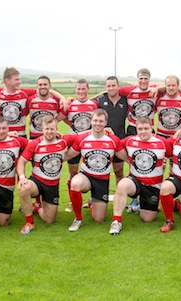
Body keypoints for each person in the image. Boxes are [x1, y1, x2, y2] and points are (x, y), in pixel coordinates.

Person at [64, 109, 127, 231]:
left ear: (106, 123)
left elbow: (125, 157)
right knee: (75, 183)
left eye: (101, 121)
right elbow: (68, 155)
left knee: (99, 219)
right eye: (95, 120)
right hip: (86, 176)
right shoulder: (82, 138)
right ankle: (78, 219)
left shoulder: (113, 140)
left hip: (102, 181)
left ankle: (92, 202)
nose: (98, 124)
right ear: (91, 121)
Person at [109, 117, 172, 235]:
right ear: (136, 129)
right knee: (122, 184)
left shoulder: (162, 142)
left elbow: (171, 156)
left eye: (146, 128)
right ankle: (116, 221)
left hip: (153, 186)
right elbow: (116, 145)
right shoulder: (129, 141)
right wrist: (128, 159)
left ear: (151, 127)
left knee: (147, 218)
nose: (143, 132)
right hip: (135, 181)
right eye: (140, 129)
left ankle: (140, 206)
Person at [17, 116, 76, 235]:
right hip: (37, 182)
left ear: (57, 129)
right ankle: (29, 222)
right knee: (24, 188)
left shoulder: (63, 141)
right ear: (42, 129)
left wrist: (103, 130)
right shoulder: (35, 144)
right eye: (47, 129)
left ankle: (36, 206)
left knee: (49, 220)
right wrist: (22, 177)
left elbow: (80, 136)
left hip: (52, 186)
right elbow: (21, 161)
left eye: (52, 129)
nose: (49, 132)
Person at [60, 79, 98, 212]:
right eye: (78, 89)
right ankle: (72, 201)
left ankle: (93, 200)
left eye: (83, 89)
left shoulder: (94, 104)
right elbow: (61, 117)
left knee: (94, 170)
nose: (81, 91)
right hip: (74, 142)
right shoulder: (70, 105)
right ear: (75, 90)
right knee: (73, 172)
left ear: (88, 89)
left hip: (90, 142)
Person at [95, 76, 129, 185]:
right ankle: (96, 198)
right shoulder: (100, 100)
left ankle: (120, 195)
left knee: (118, 171)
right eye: (108, 86)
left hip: (119, 141)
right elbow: (85, 102)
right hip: (102, 142)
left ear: (118, 86)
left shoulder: (126, 101)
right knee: (99, 171)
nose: (111, 88)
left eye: (113, 85)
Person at [119, 68, 157, 137]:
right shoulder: (129, 91)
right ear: (137, 79)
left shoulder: (155, 90)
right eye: (141, 78)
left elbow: (168, 88)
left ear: (149, 80)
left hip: (148, 127)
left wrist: (158, 88)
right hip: (133, 127)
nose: (143, 81)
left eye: (146, 79)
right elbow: (111, 91)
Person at [28, 75, 66, 139]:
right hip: (34, 136)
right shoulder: (30, 100)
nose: (42, 87)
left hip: (50, 136)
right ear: (37, 86)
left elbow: (64, 112)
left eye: (45, 84)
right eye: (40, 85)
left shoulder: (56, 101)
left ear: (50, 86)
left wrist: (53, 122)